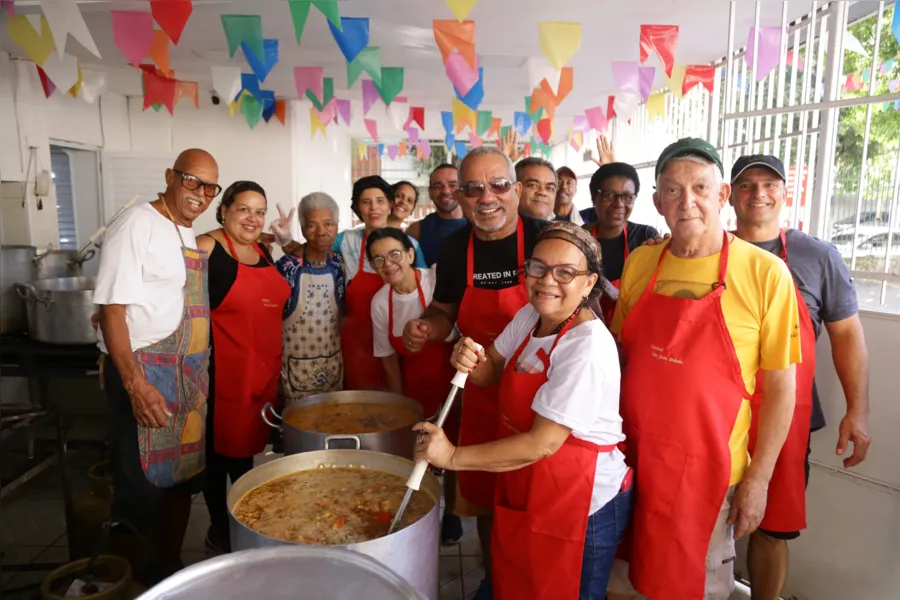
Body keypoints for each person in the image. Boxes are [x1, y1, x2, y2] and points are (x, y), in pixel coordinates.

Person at [608, 138, 801, 600]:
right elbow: (619, 357)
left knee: (695, 589)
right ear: (657, 202)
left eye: (700, 187)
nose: (686, 201)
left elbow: (779, 390)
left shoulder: (765, 273)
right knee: (620, 581)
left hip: (709, 474)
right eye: (672, 190)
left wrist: (758, 481)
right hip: (629, 461)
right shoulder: (641, 262)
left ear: (722, 196)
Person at [414, 221, 631, 600]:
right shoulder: (531, 316)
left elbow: (542, 444)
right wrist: (469, 356)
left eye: (565, 272)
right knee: (522, 583)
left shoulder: (587, 347)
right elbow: (492, 369)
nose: (547, 280)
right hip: (530, 481)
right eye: (538, 267)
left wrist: (450, 456)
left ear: (588, 282)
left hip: (581, 500)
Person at [402, 146, 548, 599]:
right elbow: (445, 310)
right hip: (481, 393)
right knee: (486, 494)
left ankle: (539, 581)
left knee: (537, 494)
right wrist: (428, 326)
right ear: (460, 198)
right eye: (473, 188)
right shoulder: (455, 246)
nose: (487, 197)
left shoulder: (547, 238)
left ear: (518, 190)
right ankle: (496, 578)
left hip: (540, 395)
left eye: (499, 185)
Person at [729, 155, 871, 600]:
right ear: (729, 195)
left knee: (773, 526)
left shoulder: (817, 255)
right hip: (719, 413)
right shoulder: (710, 248)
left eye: (768, 184)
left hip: (786, 418)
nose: (758, 193)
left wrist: (858, 411)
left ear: (785, 193)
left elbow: (847, 336)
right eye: (746, 184)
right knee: (705, 520)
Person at [94, 149, 219, 585]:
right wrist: (134, 384)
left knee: (182, 482)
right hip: (145, 372)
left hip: (187, 379)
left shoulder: (185, 232)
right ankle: (113, 586)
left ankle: (166, 575)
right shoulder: (136, 224)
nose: (199, 194)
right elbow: (112, 311)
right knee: (139, 492)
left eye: (209, 187)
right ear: (169, 177)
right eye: (191, 181)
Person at [195, 181, 290, 554]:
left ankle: (249, 522)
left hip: (263, 371)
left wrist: (282, 238)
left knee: (247, 451)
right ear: (223, 211)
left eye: (259, 211)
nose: (252, 218)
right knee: (223, 455)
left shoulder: (263, 250)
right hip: (226, 373)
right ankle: (223, 528)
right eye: (243, 209)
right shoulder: (207, 247)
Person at [335, 176, 425, 391]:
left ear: (390, 205)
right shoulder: (345, 241)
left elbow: (424, 286)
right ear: (357, 208)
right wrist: (281, 241)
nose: (374, 207)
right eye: (366, 202)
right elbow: (312, 248)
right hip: (358, 343)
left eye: (380, 200)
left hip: (401, 340)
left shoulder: (410, 244)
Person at [275, 192, 346, 404]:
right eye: (312, 225)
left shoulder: (339, 264)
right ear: (303, 228)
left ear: (337, 225)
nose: (322, 232)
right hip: (295, 372)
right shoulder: (287, 267)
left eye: (328, 224)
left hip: (332, 366)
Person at [585, 163, 660, 325]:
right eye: (609, 195)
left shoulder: (646, 237)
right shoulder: (579, 239)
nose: (618, 204)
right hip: (587, 330)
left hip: (633, 328)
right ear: (594, 196)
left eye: (627, 197)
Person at [406, 164, 468, 267]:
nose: (445, 191)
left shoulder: (478, 225)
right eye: (438, 186)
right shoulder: (416, 231)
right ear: (430, 193)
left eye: (453, 185)